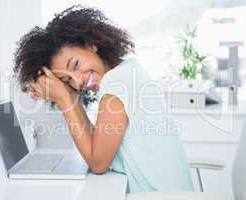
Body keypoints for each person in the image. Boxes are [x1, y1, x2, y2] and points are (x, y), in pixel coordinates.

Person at [13, 5, 194, 193]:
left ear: (91, 44)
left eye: (75, 64)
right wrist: (68, 95)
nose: (77, 80)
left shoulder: (116, 86)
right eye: (67, 80)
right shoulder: (126, 70)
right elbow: (97, 143)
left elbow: (98, 163)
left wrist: (63, 99)